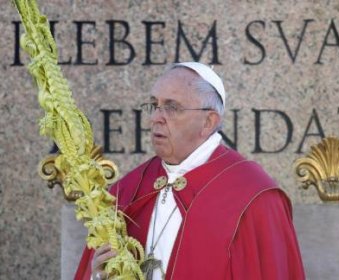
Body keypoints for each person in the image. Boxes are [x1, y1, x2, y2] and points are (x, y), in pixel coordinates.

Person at [75, 62, 305, 280]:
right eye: (154, 105)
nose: (155, 118)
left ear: (208, 122)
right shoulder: (129, 189)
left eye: (172, 107)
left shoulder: (254, 197)